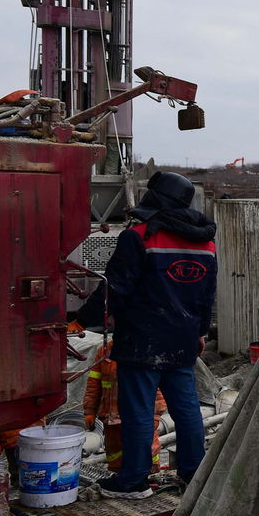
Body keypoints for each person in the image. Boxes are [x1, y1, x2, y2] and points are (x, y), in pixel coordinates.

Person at [72, 171, 216, 498]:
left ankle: (133, 481)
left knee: (137, 411)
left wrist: (82, 320)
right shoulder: (206, 244)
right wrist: (201, 332)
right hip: (182, 341)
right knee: (187, 409)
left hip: (141, 341)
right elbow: (207, 295)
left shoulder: (138, 236)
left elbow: (116, 289)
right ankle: (194, 474)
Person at [81, 339, 166, 474]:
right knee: (115, 450)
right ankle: (119, 475)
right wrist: (89, 411)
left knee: (145, 447)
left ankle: (148, 474)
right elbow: (94, 384)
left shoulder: (148, 349)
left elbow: (157, 388)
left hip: (139, 417)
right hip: (111, 416)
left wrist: (155, 415)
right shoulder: (105, 350)